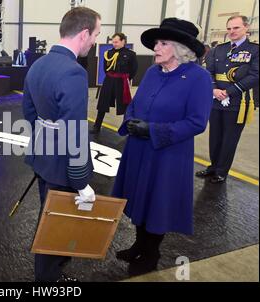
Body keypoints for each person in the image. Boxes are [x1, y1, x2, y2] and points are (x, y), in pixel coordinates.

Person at [111, 18, 213, 276]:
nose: (156, 47)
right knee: (139, 199)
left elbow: (196, 122)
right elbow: (135, 102)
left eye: (163, 43)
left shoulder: (198, 78)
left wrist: (154, 130)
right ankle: (138, 244)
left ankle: (151, 253)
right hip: (139, 148)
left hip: (168, 154)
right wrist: (131, 120)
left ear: (180, 48)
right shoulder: (152, 72)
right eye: (156, 42)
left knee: (157, 203)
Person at [22, 7, 101, 282]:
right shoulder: (74, 72)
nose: (94, 42)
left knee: (51, 218)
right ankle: (48, 281)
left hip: (44, 160)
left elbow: (29, 113)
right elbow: (74, 130)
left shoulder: (38, 65)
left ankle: (51, 274)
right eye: (95, 35)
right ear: (83, 33)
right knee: (56, 226)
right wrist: (81, 181)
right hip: (64, 168)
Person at [195, 16, 259, 183]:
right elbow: (208, 71)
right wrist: (214, 89)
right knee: (215, 136)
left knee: (229, 138)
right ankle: (213, 166)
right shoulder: (219, 49)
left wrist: (229, 91)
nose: (232, 31)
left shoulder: (254, 50)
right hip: (216, 99)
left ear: (246, 28)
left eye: (236, 28)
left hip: (238, 102)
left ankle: (222, 171)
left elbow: (255, 75)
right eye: (229, 28)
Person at [91, 33, 138, 134]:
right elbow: (105, 68)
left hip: (122, 82)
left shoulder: (130, 54)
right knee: (102, 103)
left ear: (123, 41)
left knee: (125, 106)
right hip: (109, 80)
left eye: (116, 42)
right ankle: (97, 126)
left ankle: (126, 129)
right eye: (113, 42)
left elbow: (134, 69)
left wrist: (127, 78)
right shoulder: (108, 53)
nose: (114, 44)